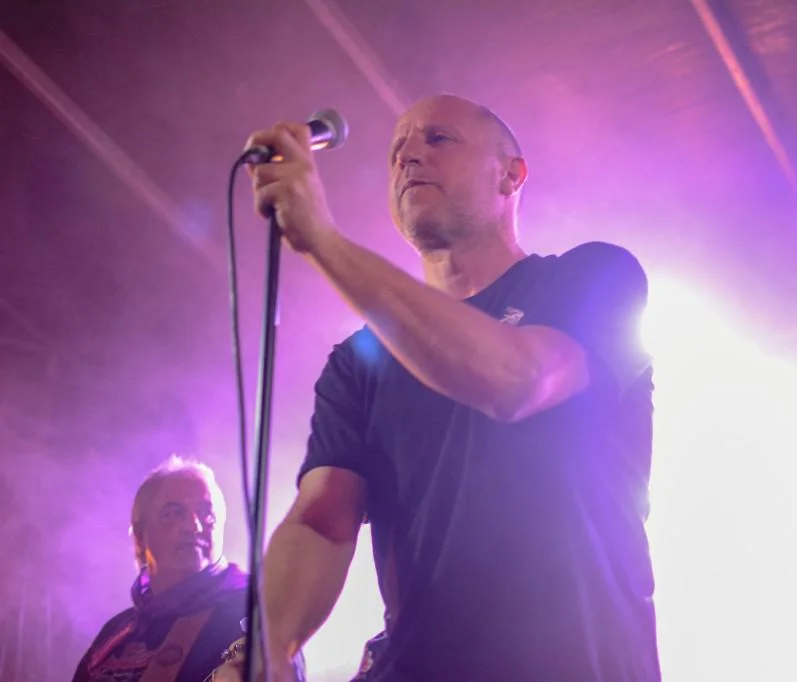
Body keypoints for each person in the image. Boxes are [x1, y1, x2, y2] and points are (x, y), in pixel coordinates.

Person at [228, 94, 659, 681]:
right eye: (396, 151)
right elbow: (321, 520)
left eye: (438, 139)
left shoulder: (592, 276)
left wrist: (323, 240)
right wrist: (267, 648)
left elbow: (518, 379)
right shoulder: (358, 363)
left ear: (510, 175)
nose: (408, 156)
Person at [72, 456, 305, 681]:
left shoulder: (257, 613)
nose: (193, 526)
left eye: (206, 512)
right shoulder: (114, 634)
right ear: (140, 536)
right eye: (173, 513)